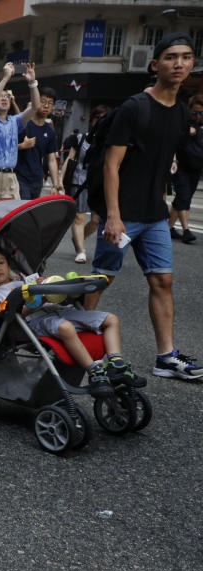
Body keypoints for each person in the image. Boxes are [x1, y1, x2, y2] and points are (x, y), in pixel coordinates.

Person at [85, 33, 201, 380]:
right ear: (155, 65)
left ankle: (166, 357)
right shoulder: (135, 107)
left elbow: (175, 158)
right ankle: (80, 347)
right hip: (122, 214)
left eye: (186, 57)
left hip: (153, 214)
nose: (178, 63)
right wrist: (113, 216)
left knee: (163, 281)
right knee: (100, 280)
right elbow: (111, 164)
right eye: (170, 57)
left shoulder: (181, 112)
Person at [0, 246, 145, 395]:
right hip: (34, 321)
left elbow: (47, 289)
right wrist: (40, 299)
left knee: (111, 319)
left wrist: (46, 283)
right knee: (66, 328)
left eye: (1, 262)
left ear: (8, 264)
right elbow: (16, 314)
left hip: (58, 310)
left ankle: (117, 365)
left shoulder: (22, 279)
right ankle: (95, 372)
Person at [0, 61, 41, 208]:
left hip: (10, 176)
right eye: (1, 96)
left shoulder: (14, 121)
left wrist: (32, 83)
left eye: (7, 97)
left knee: (10, 219)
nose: (5, 98)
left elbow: (35, 107)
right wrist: (5, 78)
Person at [60, 106, 107, 264]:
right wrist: (60, 180)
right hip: (79, 180)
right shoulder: (80, 139)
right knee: (79, 217)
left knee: (96, 219)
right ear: (92, 119)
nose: (100, 120)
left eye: (104, 118)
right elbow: (70, 159)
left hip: (98, 182)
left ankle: (77, 238)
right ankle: (81, 250)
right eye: (97, 117)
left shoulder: (110, 142)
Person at [16, 86, 62, 199]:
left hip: (37, 179)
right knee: (23, 211)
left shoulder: (50, 131)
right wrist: (22, 146)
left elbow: (51, 160)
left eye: (50, 103)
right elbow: (6, 147)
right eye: (43, 102)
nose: (46, 106)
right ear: (35, 102)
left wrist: (55, 185)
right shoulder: (23, 124)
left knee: (32, 213)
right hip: (19, 178)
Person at [169, 94, 203, 243]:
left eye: (201, 113)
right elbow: (172, 143)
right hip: (181, 166)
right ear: (190, 111)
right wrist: (174, 160)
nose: (197, 116)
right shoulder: (183, 123)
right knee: (183, 196)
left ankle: (168, 228)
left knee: (183, 199)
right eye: (195, 112)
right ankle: (186, 230)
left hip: (196, 169)